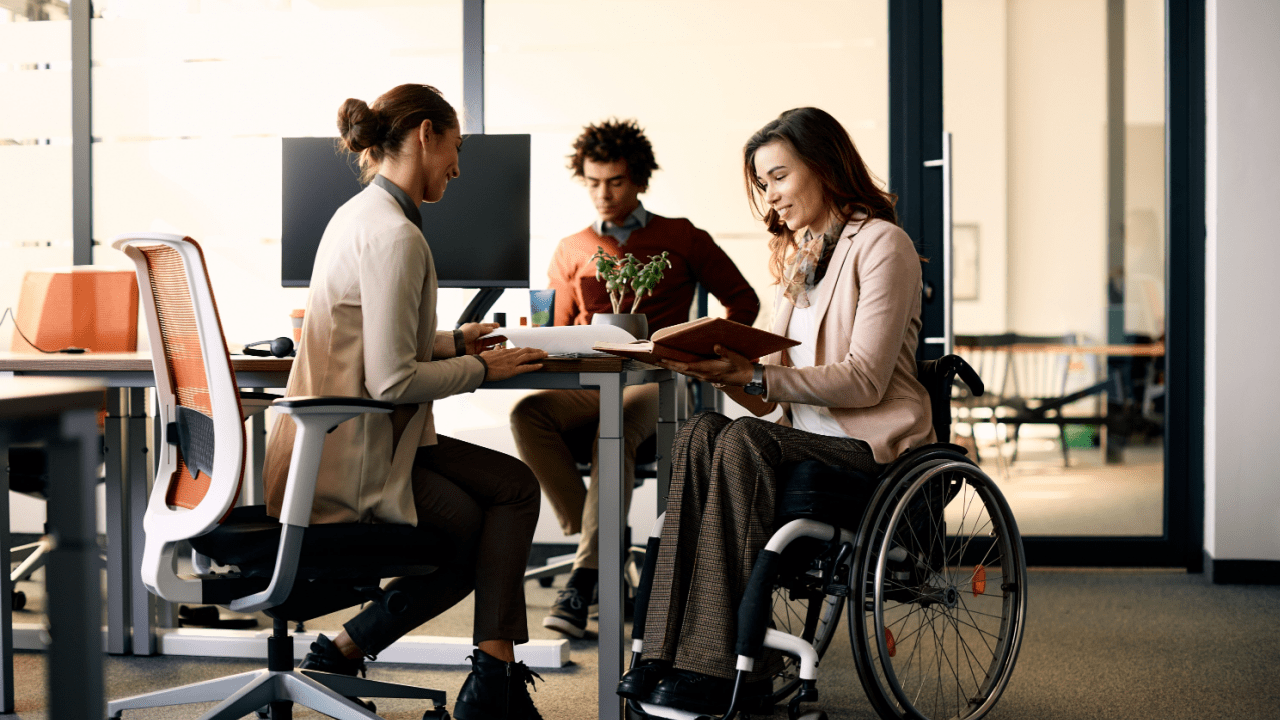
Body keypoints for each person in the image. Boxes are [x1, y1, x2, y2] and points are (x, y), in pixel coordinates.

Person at [615, 107, 936, 716]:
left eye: (779, 178)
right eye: (762, 184)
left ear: (824, 165)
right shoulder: (802, 257)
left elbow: (865, 380)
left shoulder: (882, 245)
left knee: (740, 444)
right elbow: (772, 392)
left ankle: (717, 667)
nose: (770, 198)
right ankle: (663, 651)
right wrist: (716, 368)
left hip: (869, 448)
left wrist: (756, 372)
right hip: (799, 437)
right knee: (704, 430)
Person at [261, 83, 550, 720]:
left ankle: (354, 650)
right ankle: (492, 684)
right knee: (486, 531)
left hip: (343, 442)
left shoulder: (360, 214)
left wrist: (452, 340)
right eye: (454, 146)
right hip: (355, 458)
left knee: (512, 488)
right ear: (425, 134)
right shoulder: (396, 236)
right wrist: (481, 367)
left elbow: (375, 343)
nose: (458, 165)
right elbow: (393, 383)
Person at [510, 118, 760, 638]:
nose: (603, 194)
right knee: (526, 413)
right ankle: (601, 551)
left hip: (661, 381)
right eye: (593, 182)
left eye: (615, 182)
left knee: (617, 422)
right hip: (590, 384)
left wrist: (697, 349)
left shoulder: (682, 236)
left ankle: (584, 578)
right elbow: (556, 325)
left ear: (639, 180)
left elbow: (744, 301)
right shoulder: (571, 248)